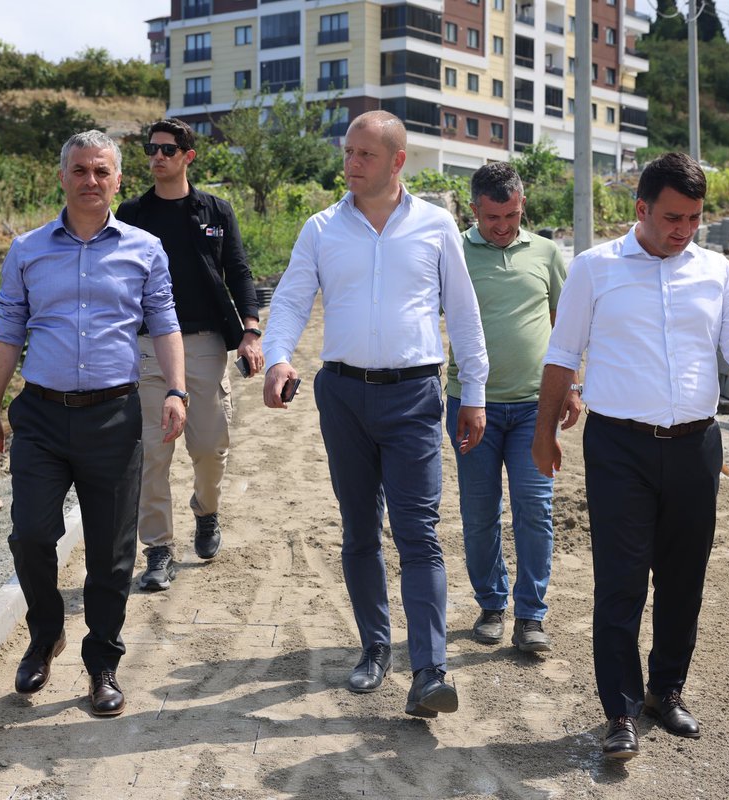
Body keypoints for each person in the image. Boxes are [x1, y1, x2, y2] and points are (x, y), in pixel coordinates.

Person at [531, 152, 729, 759]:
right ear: (641, 209)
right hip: (619, 446)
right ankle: (618, 709)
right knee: (620, 583)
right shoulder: (595, 269)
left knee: (683, 580)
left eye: (694, 218)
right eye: (673, 217)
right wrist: (545, 433)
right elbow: (562, 356)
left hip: (696, 446)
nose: (684, 229)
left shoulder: (715, 270)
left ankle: (664, 693)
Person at [261, 110, 489, 718]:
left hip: (416, 396)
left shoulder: (438, 226)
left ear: (396, 162)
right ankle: (374, 646)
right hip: (342, 395)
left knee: (418, 533)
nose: (350, 163)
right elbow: (289, 299)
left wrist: (477, 393)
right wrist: (278, 359)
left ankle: (430, 670)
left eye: (364, 154)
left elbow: (463, 316)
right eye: (348, 152)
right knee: (360, 528)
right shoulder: (320, 228)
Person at [0, 130, 187, 717]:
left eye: (101, 171)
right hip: (41, 416)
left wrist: (176, 390)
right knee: (32, 535)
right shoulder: (27, 250)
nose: (89, 181)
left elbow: (164, 322)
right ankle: (46, 634)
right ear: (62, 177)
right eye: (79, 170)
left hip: (113, 418)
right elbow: (7, 332)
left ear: (119, 180)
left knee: (112, 554)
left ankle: (103, 663)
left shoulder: (144, 249)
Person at [117, 118, 262, 592]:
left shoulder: (216, 211)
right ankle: (158, 549)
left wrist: (251, 330)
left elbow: (238, 271)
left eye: (167, 149)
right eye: (151, 149)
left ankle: (207, 510)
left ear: (187, 156)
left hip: (202, 345)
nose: (157, 157)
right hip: (146, 346)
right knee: (152, 455)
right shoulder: (132, 213)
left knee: (209, 446)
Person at [447, 163, 579, 652]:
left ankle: (531, 616)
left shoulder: (546, 252)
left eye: (512, 216)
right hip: (470, 404)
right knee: (480, 512)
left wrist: (573, 386)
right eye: (492, 217)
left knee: (535, 510)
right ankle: (491, 604)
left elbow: (565, 325)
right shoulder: (454, 252)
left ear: (523, 206)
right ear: (474, 209)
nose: (503, 227)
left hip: (534, 408)